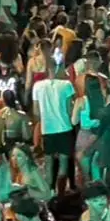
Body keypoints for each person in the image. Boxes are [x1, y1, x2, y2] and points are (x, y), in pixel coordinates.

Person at [31, 60, 76, 193]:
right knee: (63, 162)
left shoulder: (37, 86)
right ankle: (60, 193)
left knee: (48, 162)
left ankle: (49, 191)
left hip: (47, 129)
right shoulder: (67, 85)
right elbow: (69, 109)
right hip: (65, 128)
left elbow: (36, 112)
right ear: (58, 68)